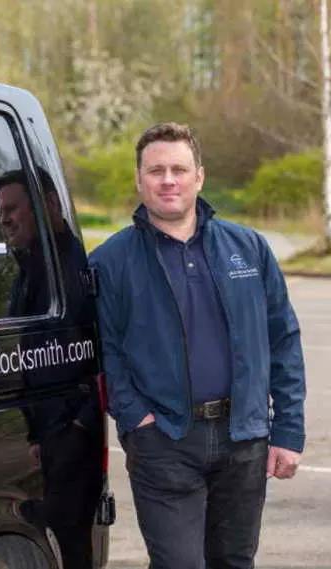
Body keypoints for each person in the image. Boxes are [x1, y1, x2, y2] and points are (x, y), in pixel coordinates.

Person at [89, 122, 306, 569]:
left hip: (244, 437)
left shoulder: (248, 249)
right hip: (164, 440)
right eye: (156, 170)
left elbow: (283, 340)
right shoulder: (110, 262)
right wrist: (137, 421)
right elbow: (104, 352)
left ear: (199, 177)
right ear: (139, 179)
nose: (168, 180)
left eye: (179, 169)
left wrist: (287, 431)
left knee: (233, 561)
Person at [0, 169, 102, 569]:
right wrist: (34, 431)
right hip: (48, 435)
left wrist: (77, 431)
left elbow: (106, 358)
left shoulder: (73, 270)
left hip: (72, 439)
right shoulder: (29, 266)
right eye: (0, 211)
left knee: (72, 552)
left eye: (12, 209)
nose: (5, 219)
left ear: (49, 206)